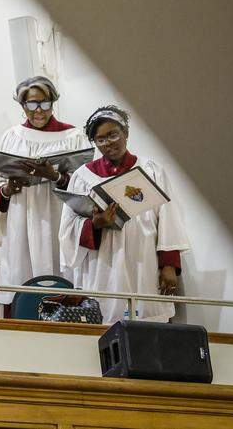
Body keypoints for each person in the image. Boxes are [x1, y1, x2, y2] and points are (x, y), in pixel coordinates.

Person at [59, 105, 191, 323]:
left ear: (126, 133)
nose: (108, 143)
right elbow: (67, 228)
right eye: (100, 139)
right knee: (105, 322)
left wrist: (168, 265)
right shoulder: (83, 177)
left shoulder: (151, 170)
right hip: (101, 264)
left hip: (143, 261)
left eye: (113, 135)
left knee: (148, 325)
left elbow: (169, 218)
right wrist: (95, 224)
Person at [0, 76, 89, 315]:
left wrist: (54, 176)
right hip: (20, 218)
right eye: (31, 104)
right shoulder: (11, 137)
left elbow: (85, 187)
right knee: (22, 277)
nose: (38, 111)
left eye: (44, 103)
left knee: (58, 275)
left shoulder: (73, 137)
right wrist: (8, 189)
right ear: (22, 105)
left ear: (53, 102)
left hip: (57, 217)